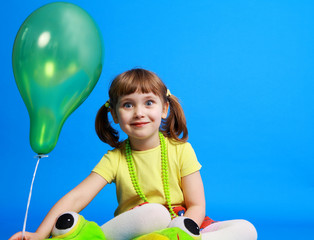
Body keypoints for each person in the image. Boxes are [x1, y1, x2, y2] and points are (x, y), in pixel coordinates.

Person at [10, 68, 257, 240]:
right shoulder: (115, 159)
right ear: (115, 115)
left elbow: (196, 204)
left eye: (148, 102)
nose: (139, 112)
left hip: (178, 227)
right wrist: (39, 233)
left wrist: (181, 230)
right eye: (128, 104)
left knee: (247, 229)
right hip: (139, 225)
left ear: (164, 109)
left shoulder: (182, 150)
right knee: (155, 213)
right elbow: (77, 198)